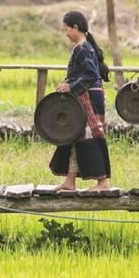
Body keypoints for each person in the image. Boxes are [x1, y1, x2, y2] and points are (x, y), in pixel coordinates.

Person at [49, 11, 113, 191]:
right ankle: (70, 181)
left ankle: (102, 182)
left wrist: (71, 87)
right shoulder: (85, 47)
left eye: (66, 29)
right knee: (75, 136)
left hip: (88, 97)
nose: (66, 34)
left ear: (76, 28)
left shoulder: (82, 48)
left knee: (90, 137)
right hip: (87, 95)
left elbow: (91, 75)